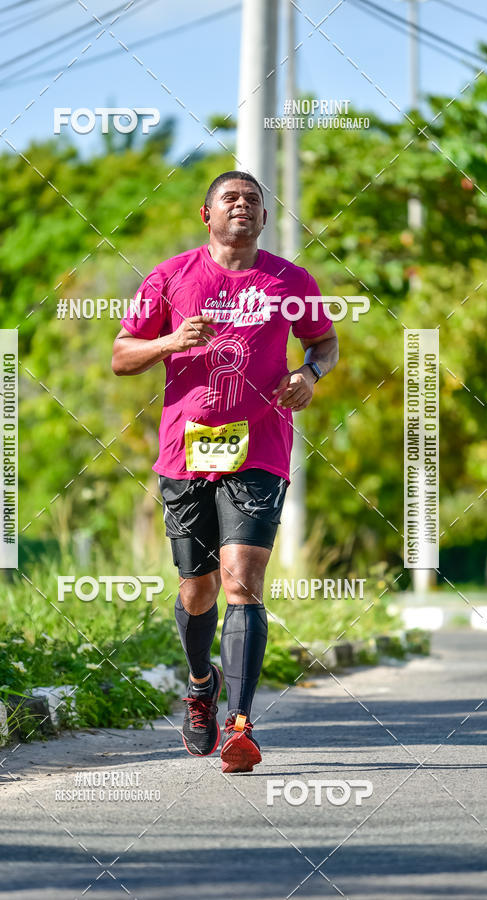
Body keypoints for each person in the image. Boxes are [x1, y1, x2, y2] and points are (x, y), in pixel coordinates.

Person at [112, 171, 338, 773]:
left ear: (265, 218)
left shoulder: (290, 280)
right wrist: (168, 343)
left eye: (254, 201)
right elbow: (120, 355)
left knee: (242, 583)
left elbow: (324, 341)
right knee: (198, 588)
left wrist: (310, 375)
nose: (242, 207)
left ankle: (240, 726)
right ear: (206, 214)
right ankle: (199, 682)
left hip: (260, 449)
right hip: (185, 452)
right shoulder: (169, 277)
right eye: (230, 199)